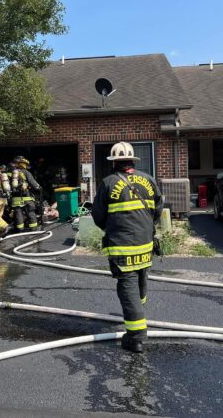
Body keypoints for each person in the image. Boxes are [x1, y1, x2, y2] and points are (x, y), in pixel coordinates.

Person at [92, 142, 163, 353]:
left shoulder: (108, 182)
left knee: (127, 286)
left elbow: (98, 216)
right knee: (141, 276)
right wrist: (145, 226)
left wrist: (112, 227)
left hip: (122, 246)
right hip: (145, 242)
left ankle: (136, 336)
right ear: (132, 161)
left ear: (114, 162)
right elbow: (158, 209)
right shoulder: (148, 180)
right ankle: (139, 309)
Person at [10, 156, 42, 231]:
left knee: (18, 214)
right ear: (25, 165)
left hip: (15, 199)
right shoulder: (26, 172)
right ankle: (34, 228)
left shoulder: (13, 174)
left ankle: (20, 229)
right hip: (26, 197)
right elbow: (33, 183)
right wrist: (39, 188)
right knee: (30, 212)